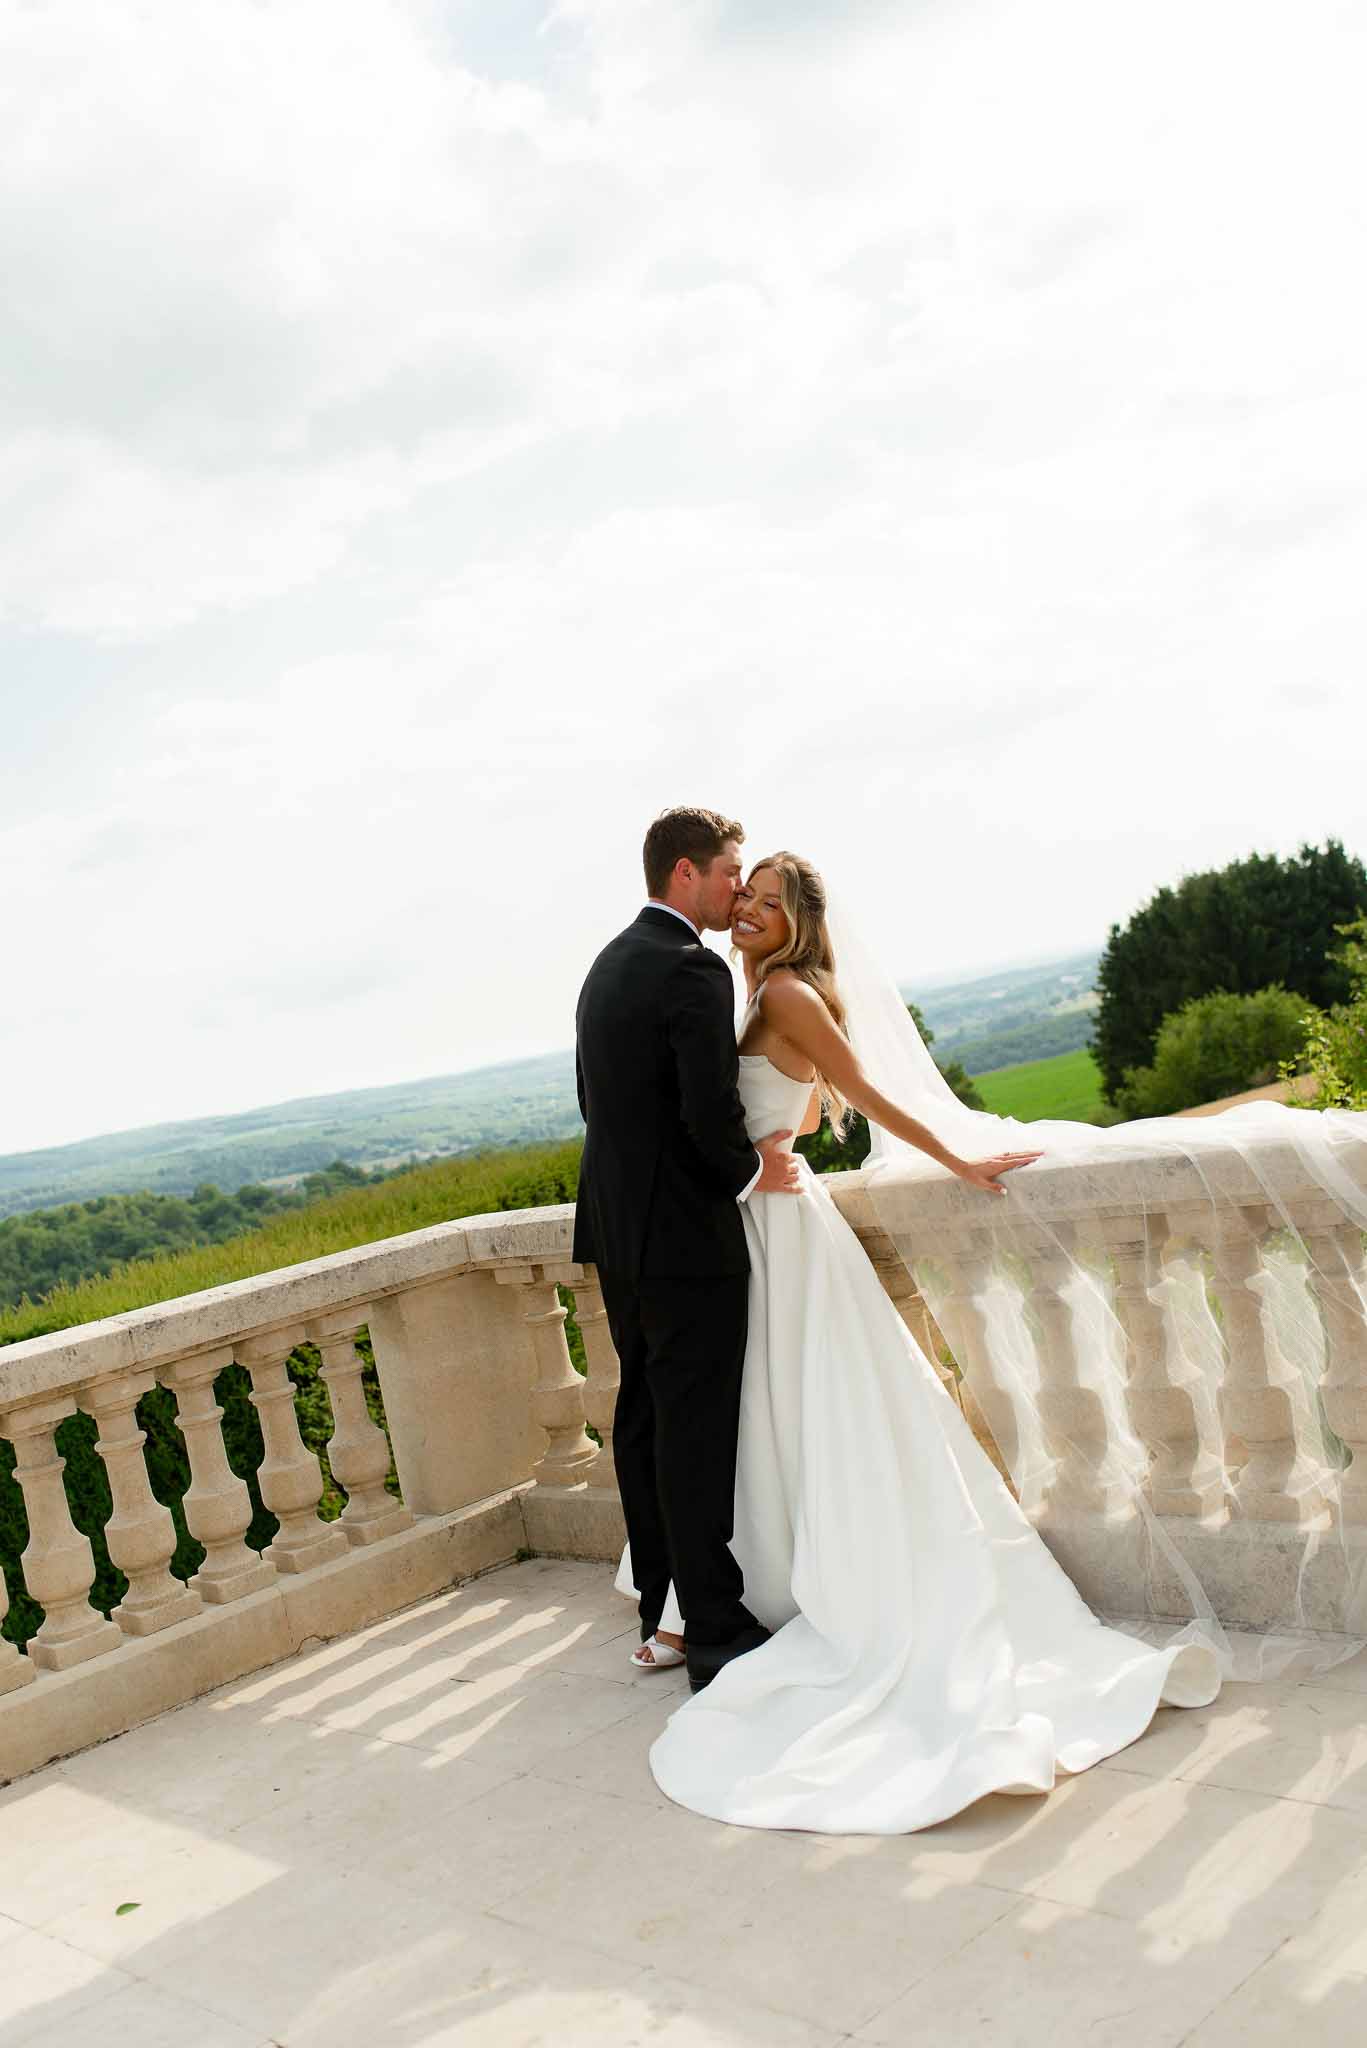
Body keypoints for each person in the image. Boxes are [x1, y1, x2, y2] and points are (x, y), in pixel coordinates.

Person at [618, 848, 1225, 1835]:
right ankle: (731, 1586)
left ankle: (757, 1590)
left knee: (795, 1408)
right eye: (747, 896)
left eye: (768, 902)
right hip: (761, 1220)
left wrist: (953, 1152)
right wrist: (770, 1140)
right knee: (762, 1413)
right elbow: (804, 1106)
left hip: (780, 1232)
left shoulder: (783, 992)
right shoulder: (758, 991)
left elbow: (857, 1089)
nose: (749, 910)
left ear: (799, 920)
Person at [573, 807, 802, 1695]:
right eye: (728, 871)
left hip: (620, 1236)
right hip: (685, 1240)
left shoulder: (608, 963)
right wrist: (755, 1173)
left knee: (643, 1424)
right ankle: (711, 1623)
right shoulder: (691, 969)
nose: (737, 888)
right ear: (683, 874)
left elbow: (598, 1103)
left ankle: (661, 1608)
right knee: (694, 1431)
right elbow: (706, 1113)